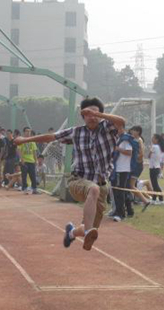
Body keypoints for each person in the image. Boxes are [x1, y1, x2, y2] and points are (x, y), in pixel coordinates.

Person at [15, 97, 125, 251]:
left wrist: (98, 114)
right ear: (83, 116)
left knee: (92, 225)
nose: (92, 117)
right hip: (78, 181)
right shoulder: (76, 132)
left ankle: (72, 233)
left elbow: (121, 122)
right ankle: (86, 232)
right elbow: (51, 137)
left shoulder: (108, 128)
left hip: (101, 186)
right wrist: (25, 140)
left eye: (96, 113)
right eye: (88, 114)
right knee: (93, 190)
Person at [112, 130, 135, 221]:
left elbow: (129, 152)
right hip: (117, 168)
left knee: (120, 192)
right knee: (121, 191)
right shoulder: (119, 140)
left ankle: (120, 214)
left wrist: (118, 149)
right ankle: (128, 211)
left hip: (123, 169)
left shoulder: (125, 140)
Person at [15, 127, 39, 194]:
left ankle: (34, 188)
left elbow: (34, 151)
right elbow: (18, 150)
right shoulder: (21, 140)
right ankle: (24, 188)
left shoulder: (32, 141)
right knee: (24, 175)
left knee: (32, 175)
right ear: (24, 132)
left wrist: (36, 160)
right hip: (24, 161)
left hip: (31, 161)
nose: (28, 133)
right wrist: (21, 159)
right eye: (26, 131)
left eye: (29, 132)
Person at [149, 134, 164, 205]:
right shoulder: (159, 147)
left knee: (155, 185)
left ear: (157, 140)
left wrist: (150, 150)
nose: (152, 139)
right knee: (155, 184)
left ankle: (161, 199)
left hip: (153, 168)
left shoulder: (154, 146)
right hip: (157, 167)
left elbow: (149, 156)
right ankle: (154, 199)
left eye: (153, 138)